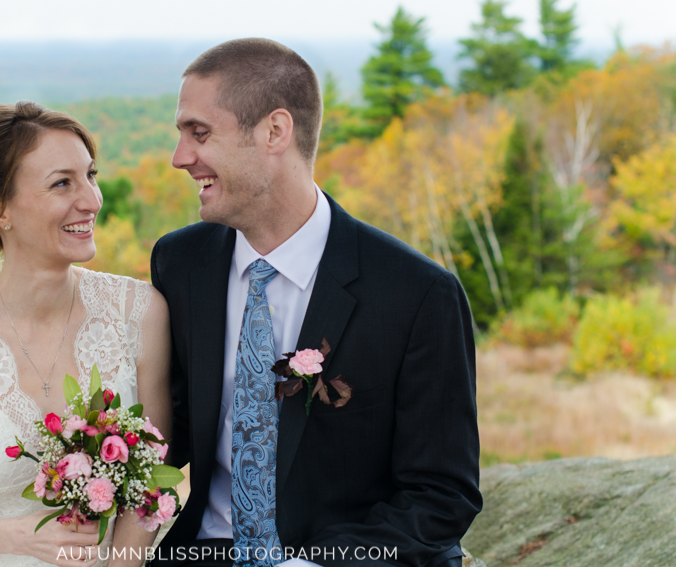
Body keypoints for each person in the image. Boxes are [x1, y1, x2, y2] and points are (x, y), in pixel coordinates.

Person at [149, 39, 481, 567]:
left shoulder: (418, 294)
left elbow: (442, 496)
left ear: (275, 131)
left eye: (200, 133)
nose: (180, 157)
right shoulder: (179, 263)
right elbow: (174, 431)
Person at [0, 101, 171, 567]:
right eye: (63, 183)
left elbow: (153, 477)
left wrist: (119, 564)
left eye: (91, 175)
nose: (91, 199)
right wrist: (22, 538)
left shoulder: (140, 312)